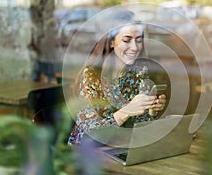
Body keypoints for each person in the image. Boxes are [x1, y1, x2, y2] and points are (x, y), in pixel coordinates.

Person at [68, 9, 169, 145]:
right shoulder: (91, 76)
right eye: (126, 40)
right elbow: (92, 133)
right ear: (111, 42)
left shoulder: (138, 72)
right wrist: (126, 111)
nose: (134, 47)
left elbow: (137, 126)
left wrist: (150, 111)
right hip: (88, 153)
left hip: (121, 145)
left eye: (138, 40)